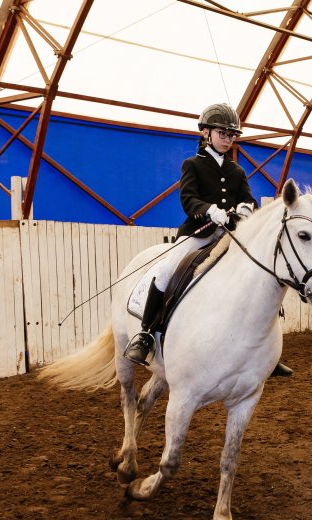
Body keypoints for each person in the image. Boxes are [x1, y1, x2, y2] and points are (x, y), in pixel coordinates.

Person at [123, 102, 293, 377]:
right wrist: (210, 212)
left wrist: (244, 210)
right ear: (206, 133)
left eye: (232, 135)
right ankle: (145, 335)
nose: (228, 139)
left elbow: (247, 198)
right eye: (222, 133)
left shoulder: (236, 171)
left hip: (229, 235)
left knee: (260, 273)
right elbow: (188, 200)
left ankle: (263, 350)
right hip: (198, 234)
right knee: (166, 272)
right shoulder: (192, 165)